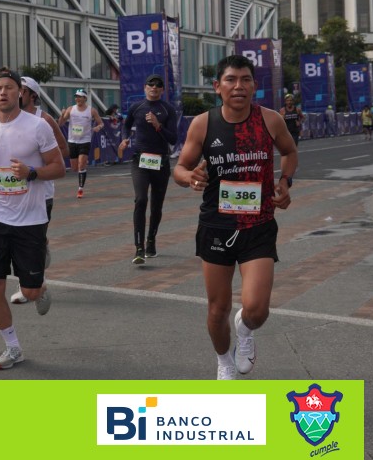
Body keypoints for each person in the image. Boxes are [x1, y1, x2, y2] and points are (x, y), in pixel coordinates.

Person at [173, 54, 298, 380]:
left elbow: (289, 152)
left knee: (256, 309)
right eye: (231, 80)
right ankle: (224, 362)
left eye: (245, 80)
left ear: (254, 86)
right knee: (217, 310)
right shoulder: (203, 124)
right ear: (218, 86)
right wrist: (190, 178)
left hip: (258, 225)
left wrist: (285, 182)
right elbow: (180, 168)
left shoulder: (270, 120)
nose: (238, 86)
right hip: (217, 226)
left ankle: (245, 328)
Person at [0, 69, 65, 370]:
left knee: (29, 291)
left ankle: (39, 288)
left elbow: (59, 167)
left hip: (31, 221)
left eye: (9, 87)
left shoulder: (38, 126)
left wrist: (31, 173)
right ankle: (12, 347)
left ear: (20, 92)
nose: (3, 92)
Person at [8, 74, 68, 305]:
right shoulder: (7, 118)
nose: (15, 93)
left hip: (41, 192)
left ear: (32, 95)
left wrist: (36, 164)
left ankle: (35, 286)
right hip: (13, 191)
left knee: (32, 242)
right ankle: (32, 283)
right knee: (17, 240)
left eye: (20, 90)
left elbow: (63, 150)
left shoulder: (44, 120)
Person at [118, 74, 178, 264]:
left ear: (162, 90)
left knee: (156, 205)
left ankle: (151, 240)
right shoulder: (137, 107)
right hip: (140, 161)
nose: (154, 87)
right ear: (145, 88)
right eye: (150, 84)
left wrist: (158, 126)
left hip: (161, 162)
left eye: (158, 85)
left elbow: (173, 139)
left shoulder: (167, 109)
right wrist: (125, 139)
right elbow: (126, 125)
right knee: (141, 199)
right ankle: (139, 248)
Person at [58, 88, 103, 198]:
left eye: (79, 97)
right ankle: (82, 169)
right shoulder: (70, 109)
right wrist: (62, 115)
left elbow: (101, 123)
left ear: (85, 98)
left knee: (81, 165)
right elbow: (61, 124)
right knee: (74, 168)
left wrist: (98, 127)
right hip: (72, 141)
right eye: (76, 97)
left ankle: (80, 189)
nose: (77, 99)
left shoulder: (91, 111)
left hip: (85, 140)